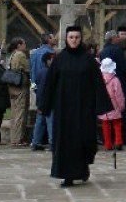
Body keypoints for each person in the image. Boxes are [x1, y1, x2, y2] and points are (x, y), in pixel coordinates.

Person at [40, 25, 111, 188]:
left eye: (77, 37)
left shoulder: (88, 60)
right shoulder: (59, 59)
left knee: (84, 140)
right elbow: (50, 83)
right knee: (65, 142)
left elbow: (98, 83)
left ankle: (83, 167)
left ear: (81, 39)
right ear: (66, 39)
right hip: (64, 109)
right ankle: (68, 176)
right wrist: (45, 105)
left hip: (84, 108)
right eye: (71, 37)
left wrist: (102, 105)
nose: (74, 40)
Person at [30, 32, 56, 150]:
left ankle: (36, 141)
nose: (55, 39)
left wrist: (35, 86)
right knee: (50, 118)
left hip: (38, 86)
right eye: (52, 37)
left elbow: (32, 72)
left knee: (40, 118)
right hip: (48, 89)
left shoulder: (34, 53)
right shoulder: (50, 54)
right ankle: (52, 142)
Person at [5, 37, 30, 146]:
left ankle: (13, 137)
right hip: (20, 85)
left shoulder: (11, 55)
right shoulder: (20, 55)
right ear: (19, 45)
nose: (25, 46)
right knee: (20, 112)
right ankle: (17, 139)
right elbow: (27, 68)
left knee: (14, 112)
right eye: (24, 44)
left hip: (12, 86)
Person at [98, 57, 125, 151]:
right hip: (114, 104)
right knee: (117, 124)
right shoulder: (115, 80)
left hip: (103, 105)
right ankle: (118, 142)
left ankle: (108, 144)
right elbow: (119, 94)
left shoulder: (99, 79)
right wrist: (121, 106)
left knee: (105, 125)